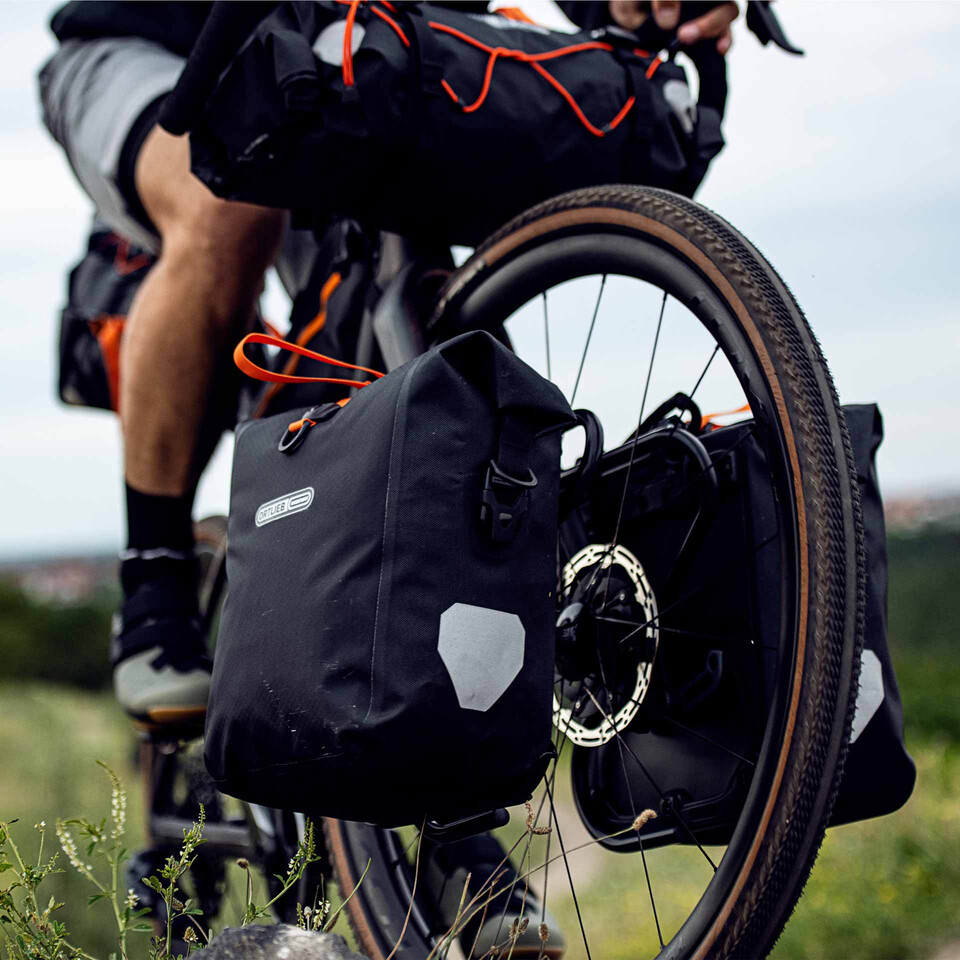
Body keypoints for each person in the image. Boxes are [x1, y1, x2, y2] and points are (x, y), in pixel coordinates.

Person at [40, 0, 738, 732]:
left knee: (413, 279)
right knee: (226, 210)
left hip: (338, 46)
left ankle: (423, 803)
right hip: (146, 48)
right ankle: (153, 579)